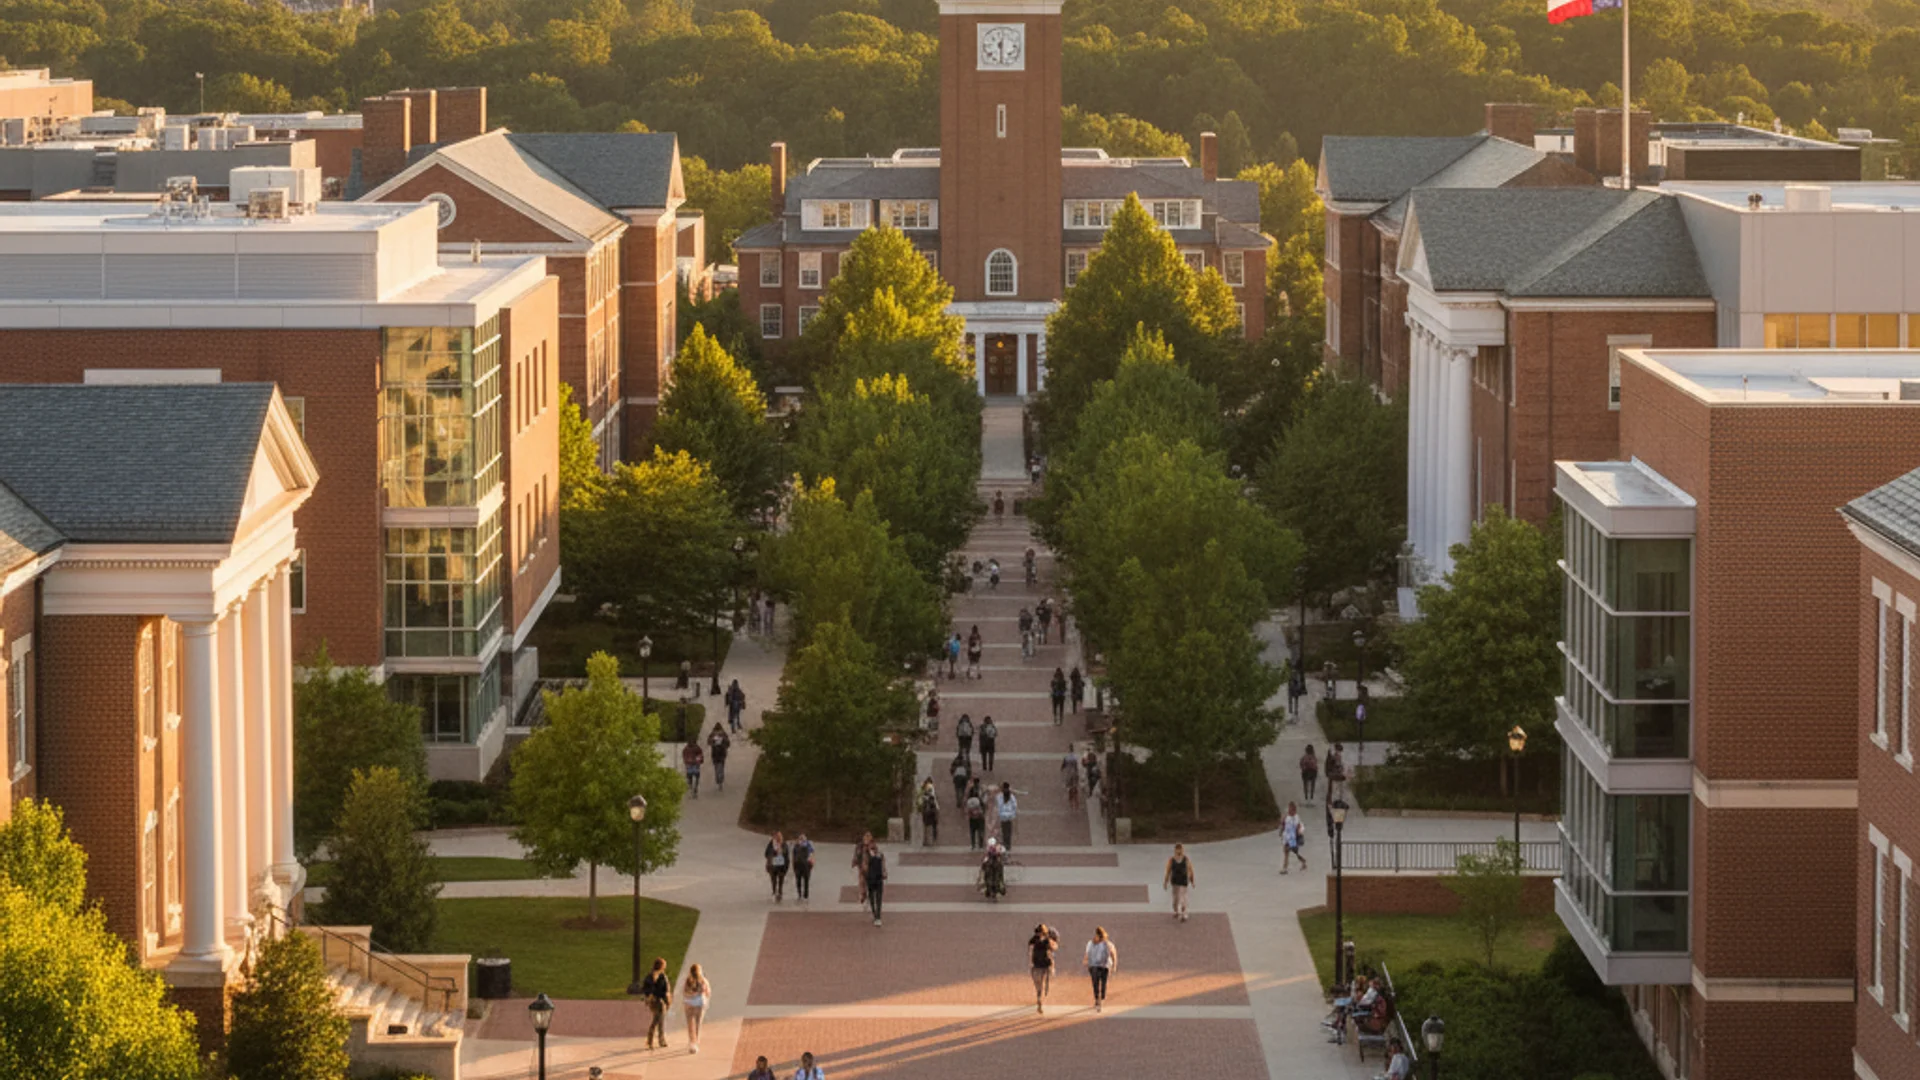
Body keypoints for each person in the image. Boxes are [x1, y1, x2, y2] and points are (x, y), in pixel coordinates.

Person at [640, 957, 672, 1049]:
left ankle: (657, 1040)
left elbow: (645, 989)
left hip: (652, 1001)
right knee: (658, 1021)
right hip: (660, 1002)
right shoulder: (662, 976)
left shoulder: (649, 976)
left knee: (658, 1020)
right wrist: (667, 1001)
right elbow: (665, 990)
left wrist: (648, 997)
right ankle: (654, 1040)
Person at [1084, 926, 1117, 1013]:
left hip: (1103, 966)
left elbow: (1113, 954)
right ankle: (1098, 999)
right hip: (1095, 966)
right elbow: (1087, 953)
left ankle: (1100, 999)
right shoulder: (1091, 943)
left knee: (1101, 983)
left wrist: (1114, 965)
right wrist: (1086, 960)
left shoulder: (1108, 944)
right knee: (1097, 983)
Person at [1028, 923, 1059, 1013]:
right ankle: (1040, 998)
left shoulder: (1032, 941)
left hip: (1036, 966)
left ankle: (1039, 997)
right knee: (1042, 984)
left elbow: (1030, 952)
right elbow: (1054, 948)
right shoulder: (1047, 940)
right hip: (1044, 966)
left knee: (1038, 985)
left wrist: (1031, 964)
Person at [681, 962, 711, 1053]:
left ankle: (691, 1041)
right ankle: (696, 1043)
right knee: (698, 1023)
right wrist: (705, 999)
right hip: (699, 1002)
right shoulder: (703, 980)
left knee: (690, 1023)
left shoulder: (687, 981)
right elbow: (708, 992)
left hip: (688, 1003)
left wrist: (690, 995)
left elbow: (684, 992)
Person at [1163, 843, 1195, 922]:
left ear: (1182, 850)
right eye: (1177, 850)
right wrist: (1165, 882)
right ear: (1175, 850)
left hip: (1183, 881)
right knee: (1175, 899)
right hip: (1175, 881)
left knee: (1183, 898)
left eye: (1180, 849)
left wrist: (1192, 881)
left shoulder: (1186, 859)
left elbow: (1190, 870)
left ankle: (1184, 913)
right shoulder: (1171, 860)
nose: (1179, 851)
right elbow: (1168, 871)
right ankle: (1176, 911)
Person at [863, 838, 888, 925]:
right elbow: (865, 866)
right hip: (870, 879)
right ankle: (875, 914)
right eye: (871, 844)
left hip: (878, 878)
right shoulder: (867, 855)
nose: (873, 846)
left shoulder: (880, 854)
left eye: (874, 844)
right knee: (872, 898)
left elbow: (883, 864)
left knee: (879, 898)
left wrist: (884, 872)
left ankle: (878, 916)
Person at [1280, 801, 1306, 873]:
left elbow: (1298, 826)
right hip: (1287, 837)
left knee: (1289, 851)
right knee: (1289, 852)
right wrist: (1281, 830)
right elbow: (1283, 825)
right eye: (1289, 808)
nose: (1289, 810)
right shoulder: (1286, 816)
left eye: (1290, 809)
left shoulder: (1296, 817)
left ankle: (1285, 868)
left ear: (1294, 810)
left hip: (1292, 837)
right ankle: (1303, 862)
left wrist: (1297, 835)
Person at [765, 831, 790, 901]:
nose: (778, 838)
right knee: (774, 880)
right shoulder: (771, 844)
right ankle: (775, 893)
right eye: (777, 836)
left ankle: (779, 893)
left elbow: (786, 854)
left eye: (779, 836)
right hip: (773, 865)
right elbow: (766, 853)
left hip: (781, 865)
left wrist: (786, 866)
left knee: (780, 880)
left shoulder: (784, 844)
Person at [851, 830, 873, 905]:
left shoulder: (872, 846)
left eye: (868, 837)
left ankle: (869, 893)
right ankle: (862, 894)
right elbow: (856, 854)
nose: (867, 838)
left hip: (870, 866)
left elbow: (875, 856)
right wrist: (854, 861)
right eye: (866, 837)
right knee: (861, 881)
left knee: (869, 881)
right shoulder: (859, 845)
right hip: (861, 866)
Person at [792, 832, 816, 902]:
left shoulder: (809, 845)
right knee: (798, 881)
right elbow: (793, 856)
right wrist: (793, 865)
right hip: (798, 866)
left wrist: (811, 864)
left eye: (803, 838)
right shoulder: (796, 846)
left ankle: (806, 896)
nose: (802, 839)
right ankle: (799, 895)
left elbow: (812, 854)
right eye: (800, 838)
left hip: (806, 866)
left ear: (805, 838)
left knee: (806, 882)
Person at [708, 725, 731, 792]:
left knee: (716, 767)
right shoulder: (724, 734)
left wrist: (713, 742)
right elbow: (728, 743)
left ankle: (718, 780)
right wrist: (724, 745)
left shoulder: (712, 734)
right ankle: (721, 781)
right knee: (722, 767)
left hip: (714, 753)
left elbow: (709, 742)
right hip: (722, 753)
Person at [996, 781, 1019, 848]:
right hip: (1004, 816)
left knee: (1007, 831)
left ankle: (1007, 844)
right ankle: (1006, 843)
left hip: (1008, 816)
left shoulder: (1010, 796)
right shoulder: (1000, 796)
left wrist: (1012, 814)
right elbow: (998, 805)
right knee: (1005, 831)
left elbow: (1014, 806)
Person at [918, 777, 940, 845]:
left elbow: (920, 799)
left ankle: (926, 840)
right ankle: (933, 838)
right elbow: (933, 797)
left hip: (926, 809)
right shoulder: (930, 786)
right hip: (932, 809)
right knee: (934, 824)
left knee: (926, 825)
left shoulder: (923, 788)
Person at [966, 782, 987, 849]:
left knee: (972, 832)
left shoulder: (969, 800)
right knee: (981, 831)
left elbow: (967, 809)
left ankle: (973, 845)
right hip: (980, 817)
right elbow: (984, 805)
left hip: (972, 818)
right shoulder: (979, 799)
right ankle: (980, 844)